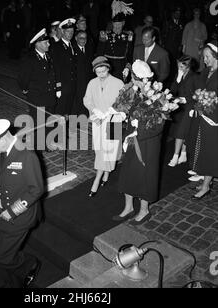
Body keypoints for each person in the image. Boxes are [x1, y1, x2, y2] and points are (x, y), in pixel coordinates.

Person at [0, 119, 44, 286]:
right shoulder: (5, 151)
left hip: (20, 215)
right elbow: (2, 178)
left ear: (2, 138)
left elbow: (36, 189)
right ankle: (14, 270)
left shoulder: (27, 155)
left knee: (2, 256)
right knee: (0, 247)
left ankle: (29, 263)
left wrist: (13, 211)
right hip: (3, 210)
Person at [113, 61, 164, 224]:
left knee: (144, 176)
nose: (134, 83)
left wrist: (138, 129)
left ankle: (144, 209)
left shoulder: (158, 95)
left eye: (135, 80)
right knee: (128, 172)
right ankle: (128, 208)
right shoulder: (136, 92)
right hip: (132, 139)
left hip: (147, 143)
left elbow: (159, 126)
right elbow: (127, 109)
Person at [83, 56, 124, 197]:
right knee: (100, 150)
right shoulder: (92, 83)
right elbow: (87, 99)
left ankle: (96, 180)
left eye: (103, 71)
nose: (100, 74)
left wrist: (111, 111)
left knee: (108, 151)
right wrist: (94, 110)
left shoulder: (118, 83)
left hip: (113, 121)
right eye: (97, 72)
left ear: (108, 68)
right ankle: (106, 173)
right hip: (98, 120)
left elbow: (124, 103)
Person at [16, 28, 58, 151]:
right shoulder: (30, 59)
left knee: (50, 120)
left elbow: (52, 75)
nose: (49, 44)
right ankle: (38, 145)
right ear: (37, 43)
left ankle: (49, 143)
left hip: (49, 96)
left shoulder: (47, 56)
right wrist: (25, 90)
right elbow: (22, 79)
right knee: (39, 122)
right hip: (37, 97)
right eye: (46, 42)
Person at [188, 42, 218, 199]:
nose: (204, 60)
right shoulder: (207, 71)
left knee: (210, 152)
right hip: (204, 116)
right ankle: (207, 181)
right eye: (203, 56)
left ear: (215, 56)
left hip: (214, 119)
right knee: (205, 149)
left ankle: (206, 185)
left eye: (207, 57)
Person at [168, 55, 197, 167]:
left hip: (189, 107)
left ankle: (175, 156)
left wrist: (185, 99)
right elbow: (173, 90)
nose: (179, 68)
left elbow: (197, 94)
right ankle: (183, 154)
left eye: (181, 66)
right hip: (179, 108)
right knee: (181, 131)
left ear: (188, 66)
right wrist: (178, 79)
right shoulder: (178, 75)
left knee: (182, 132)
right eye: (178, 65)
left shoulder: (194, 77)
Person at [97, 0, 134, 81]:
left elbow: (129, 54)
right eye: (115, 24)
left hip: (122, 69)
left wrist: (128, 67)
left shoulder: (128, 36)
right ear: (112, 24)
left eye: (119, 24)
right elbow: (100, 54)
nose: (117, 26)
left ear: (123, 24)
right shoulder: (106, 35)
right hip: (108, 68)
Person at [50, 18, 77, 116]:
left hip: (71, 86)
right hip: (63, 86)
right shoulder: (57, 47)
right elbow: (55, 68)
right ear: (62, 31)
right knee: (59, 112)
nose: (70, 34)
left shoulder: (73, 46)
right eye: (68, 31)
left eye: (72, 31)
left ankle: (65, 130)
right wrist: (58, 88)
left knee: (68, 112)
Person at [72, 30, 94, 115]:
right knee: (75, 107)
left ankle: (83, 125)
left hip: (87, 83)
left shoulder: (89, 49)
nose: (83, 40)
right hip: (76, 84)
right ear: (76, 38)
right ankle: (73, 126)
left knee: (85, 105)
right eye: (81, 38)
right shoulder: (72, 49)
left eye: (85, 38)